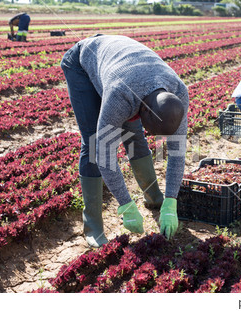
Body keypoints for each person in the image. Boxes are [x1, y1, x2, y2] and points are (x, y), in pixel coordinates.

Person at [61, 34, 189, 248]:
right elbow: (105, 152)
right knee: (93, 142)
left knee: (134, 135)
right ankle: (93, 226)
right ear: (142, 110)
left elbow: (177, 152)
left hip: (124, 67)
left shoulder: (178, 93)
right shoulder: (121, 96)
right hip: (83, 64)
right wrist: (125, 204)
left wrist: (171, 200)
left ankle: (154, 197)